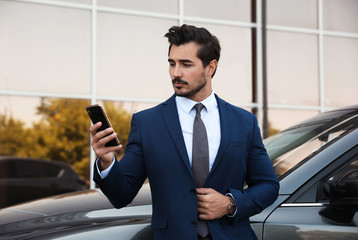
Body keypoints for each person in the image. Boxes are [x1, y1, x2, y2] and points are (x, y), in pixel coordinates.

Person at [90, 24, 279, 240]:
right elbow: (121, 196)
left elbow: (268, 185)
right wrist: (106, 162)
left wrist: (230, 203)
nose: (176, 73)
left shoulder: (243, 122)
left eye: (186, 64)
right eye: (172, 63)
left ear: (211, 67)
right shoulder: (147, 123)